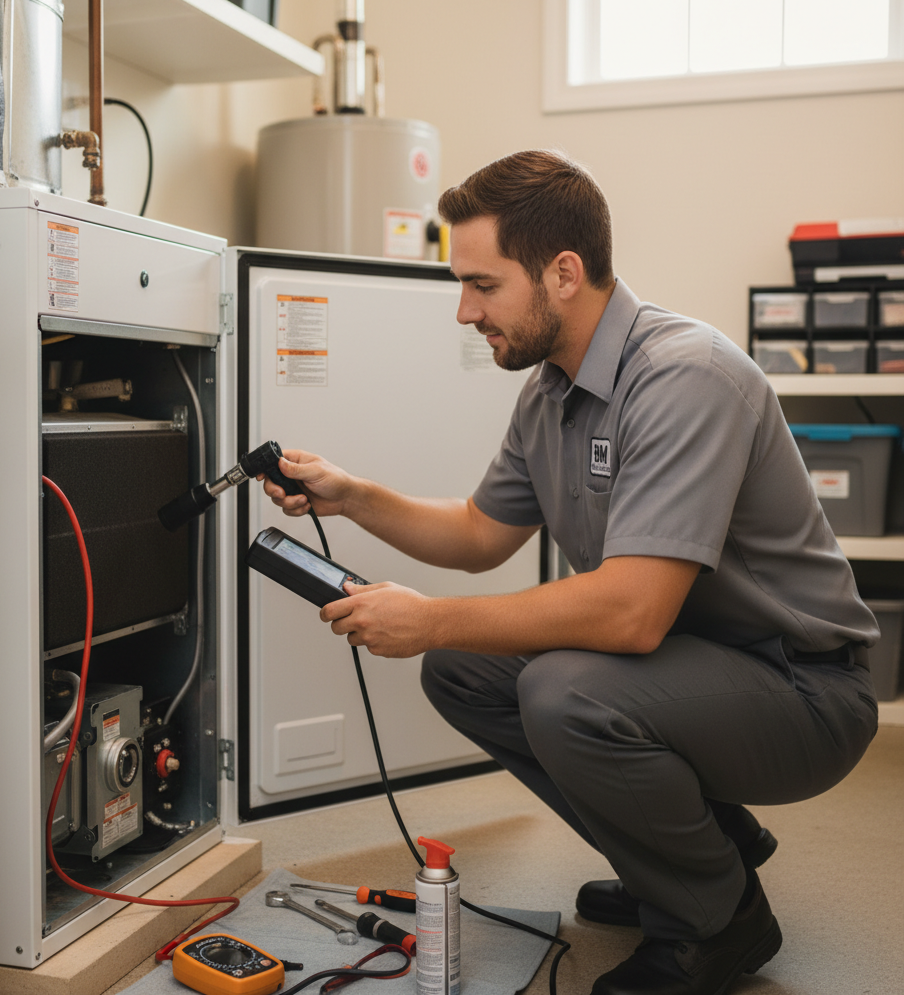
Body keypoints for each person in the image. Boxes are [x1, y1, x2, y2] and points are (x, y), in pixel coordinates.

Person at [258, 150, 879, 995]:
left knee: (563, 692)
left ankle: (719, 918)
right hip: (688, 670)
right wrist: (353, 495)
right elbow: (482, 532)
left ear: (562, 272)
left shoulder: (684, 376)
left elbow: (630, 616)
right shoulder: (552, 388)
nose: (463, 311)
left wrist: (430, 616)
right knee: (464, 672)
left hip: (802, 691)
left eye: (483, 284)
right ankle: (694, 850)